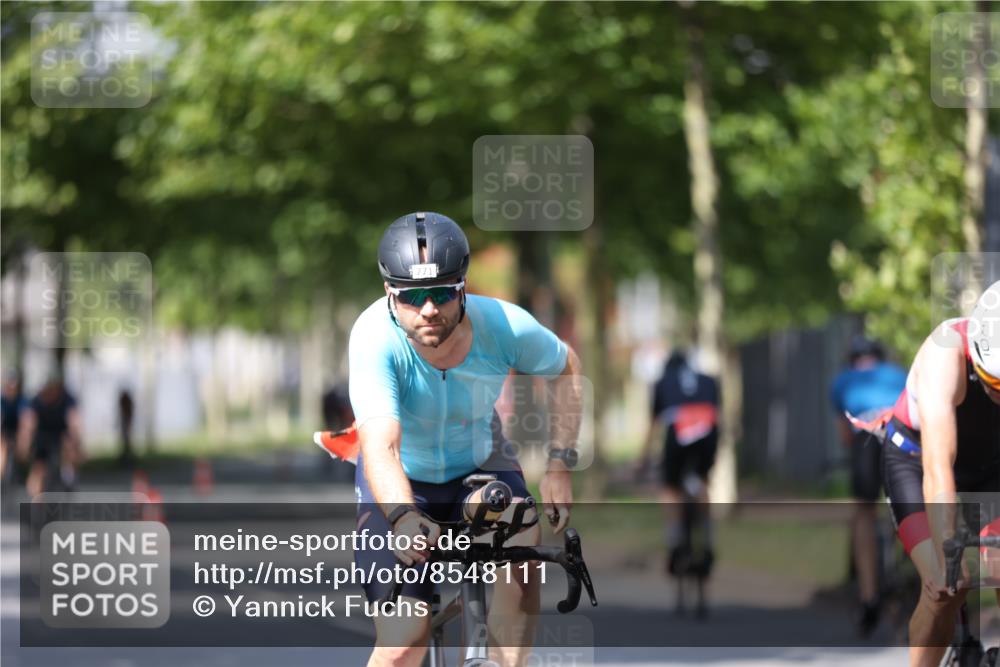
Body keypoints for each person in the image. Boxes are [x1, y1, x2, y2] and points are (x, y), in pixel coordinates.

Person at [349, 212, 583, 667]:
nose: (429, 309)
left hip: (480, 464)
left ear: (463, 288)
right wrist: (400, 516)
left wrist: (559, 462)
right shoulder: (373, 338)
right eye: (413, 297)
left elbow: (567, 367)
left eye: (441, 293)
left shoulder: (504, 326)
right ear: (388, 295)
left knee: (521, 544)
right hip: (403, 478)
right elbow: (382, 445)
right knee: (402, 642)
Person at [881, 281, 1000, 667]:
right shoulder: (945, 354)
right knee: (946, 586)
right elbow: (937, 471)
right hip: (917, 462)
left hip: (989, 467)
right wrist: (949, 550)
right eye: (996, 384)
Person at [829, 335, 907, 636]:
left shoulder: (843, 381)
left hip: (865, 436)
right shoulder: (897, 375)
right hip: (900, 432)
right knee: (907, 503)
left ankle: (869, 595)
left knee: (863, 512)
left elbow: (845, 437)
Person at [636, 350, 719, 577]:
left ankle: (674, 542)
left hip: (678, 428)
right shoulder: (709, 380)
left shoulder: (662, 382)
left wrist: (642, 459)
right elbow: (717, 414)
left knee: (670, 488)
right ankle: (708, 541)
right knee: (702, 481)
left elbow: (654, 425)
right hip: (707, 427)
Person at [17, 376, 83, 498]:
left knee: (70, 446)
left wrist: (77, 442)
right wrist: (24, 445)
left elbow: (74, 421)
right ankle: (36, 503)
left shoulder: (67, 399)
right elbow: (27, 424)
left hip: (62, 434)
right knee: (38, 469)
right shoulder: (35, 402)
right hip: (42, 436)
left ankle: (69, 474)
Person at [1, 373, 27, 490]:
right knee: (3, 448)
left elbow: (25, 419)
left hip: (18, 429)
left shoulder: (22, 400)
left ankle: (21, 469)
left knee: (22, 445)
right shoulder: (1, 400)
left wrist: (22, 438)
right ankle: (1, 478)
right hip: (4, 429)